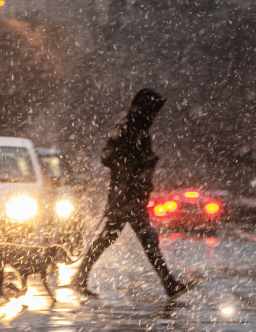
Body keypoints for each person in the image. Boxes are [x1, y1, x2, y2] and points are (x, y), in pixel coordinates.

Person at [69, 89, 191, 299]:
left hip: (131, 194)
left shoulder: (138, 130)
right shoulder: (128, 129)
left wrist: (142, 165)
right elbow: (106, 157)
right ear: (145, 110)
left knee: (112, 237)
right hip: (126, 195)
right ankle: (169, 284)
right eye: (153, 111)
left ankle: (80, 277)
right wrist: (132, 165)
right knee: (145, 239)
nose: (155, 115)